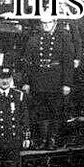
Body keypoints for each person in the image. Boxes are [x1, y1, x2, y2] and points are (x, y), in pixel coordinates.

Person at [22, 12, 73, 150]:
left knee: (55, 111)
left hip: (56, 79)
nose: (46, 26)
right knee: (40, 111)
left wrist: (67, 83)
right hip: (38, 79)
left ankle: (52, 139)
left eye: (49, 23)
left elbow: (68, 62)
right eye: (43, 23)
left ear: (55, 22)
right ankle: (43, 139)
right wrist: (26, 81)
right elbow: (28, 62)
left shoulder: (63, 38)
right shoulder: (34, 39)